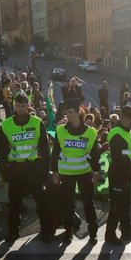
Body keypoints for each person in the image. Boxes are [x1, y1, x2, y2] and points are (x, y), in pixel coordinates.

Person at [0, 92, 52, 242]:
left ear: (28, 106)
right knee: (14, 203)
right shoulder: (6, 124)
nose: (20, 109)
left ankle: (46, 231)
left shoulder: (37, 122)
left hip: (33, 169)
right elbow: (2, 151)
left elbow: (45, 149)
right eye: (17, 106)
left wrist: (45, 170)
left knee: (41, 202)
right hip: (16, 169)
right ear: (14, 106)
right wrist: (4, 171)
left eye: (23, 106)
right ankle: (13, 232)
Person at [51, 98, 101, 242]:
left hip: (84, 173)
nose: (68, 115)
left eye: (71, 112)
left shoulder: (91, 132)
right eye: (66, 113)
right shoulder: (60, 130)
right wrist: (54, 171)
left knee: (88, 204)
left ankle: (93, 233)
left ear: (79, 112)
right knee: (68, 204)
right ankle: (68, 232)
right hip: (66, 174)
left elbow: (95, 154)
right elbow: (55, 153)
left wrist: (96, 172)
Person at [105, 105, 131, 244]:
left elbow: (130, 150)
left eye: (130, 119)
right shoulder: (117, 133)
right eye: (126, 118)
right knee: (116, 206)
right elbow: (118, 155)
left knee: (125, 204)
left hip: (126, 173)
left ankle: (126, 230)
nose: (129, 121)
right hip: (118, 173)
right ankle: (110, 235)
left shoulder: (128, 131)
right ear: (122, 116)